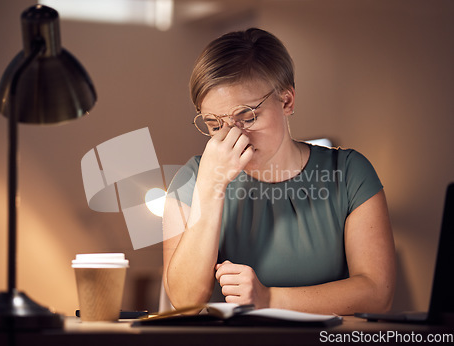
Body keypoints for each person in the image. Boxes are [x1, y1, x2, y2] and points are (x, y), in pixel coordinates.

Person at [162, 28, 395, 315]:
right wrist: (210, 187)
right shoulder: (190, 180)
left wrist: (270, 298)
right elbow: (184, 303)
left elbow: (377, 293)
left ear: (287, 101)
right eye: (214, 125)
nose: (233, 137)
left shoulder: (349, 174)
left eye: (246, 117)